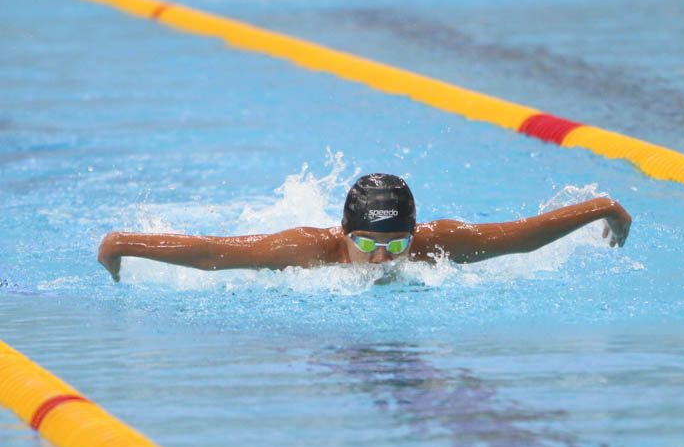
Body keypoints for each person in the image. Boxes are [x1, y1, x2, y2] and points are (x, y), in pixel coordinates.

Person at [98, 173, 631, 282]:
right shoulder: (309, 250)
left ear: (415, 230)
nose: (382, 259)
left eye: (397, 243)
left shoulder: (436, 244)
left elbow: (520, 236)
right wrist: (126, 243)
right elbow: (214, 253)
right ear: (343, 232)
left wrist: (602, 206)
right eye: (368, 245)